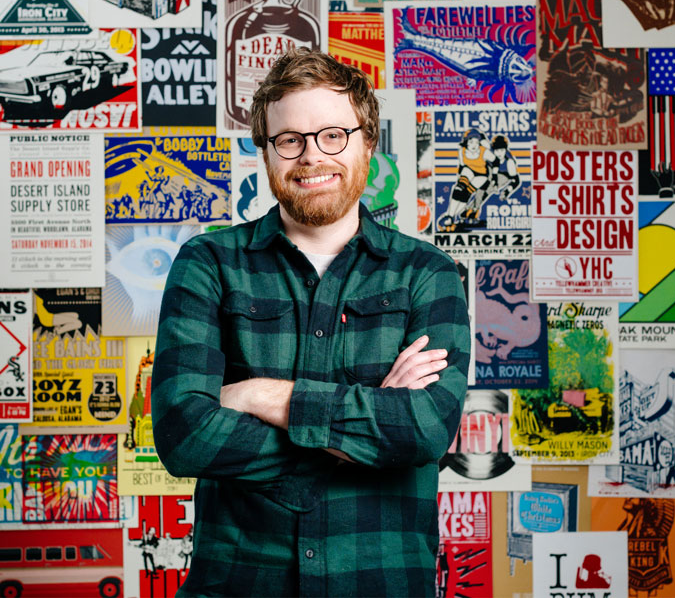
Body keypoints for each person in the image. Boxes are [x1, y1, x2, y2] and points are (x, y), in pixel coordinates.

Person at [151, 48, 470, 597]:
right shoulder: (208, 264)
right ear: (266, 152)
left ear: (367, 142)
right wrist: (367, 435)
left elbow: (423, 431)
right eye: (289, 140)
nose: (311, 157)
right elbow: (185, 436)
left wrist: (254, 395)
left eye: (332, 135)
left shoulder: (429, 274)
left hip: (381, 583)